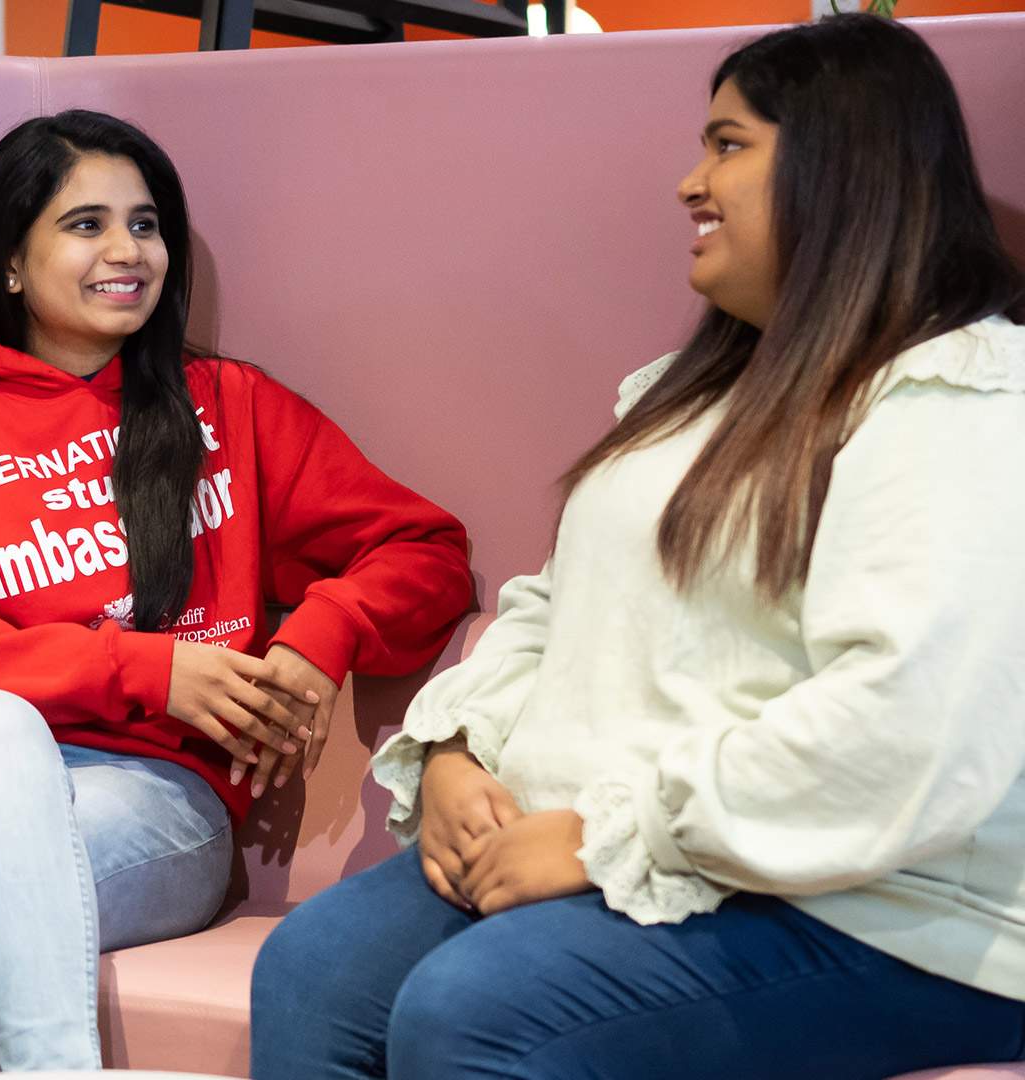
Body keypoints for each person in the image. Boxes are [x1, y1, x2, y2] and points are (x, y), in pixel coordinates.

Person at [250, 14, 1025, 1080]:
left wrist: (609, 838)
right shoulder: (685, 397)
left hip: (880, 908)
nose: (688, 183)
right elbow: (553, 610)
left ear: (843, 165)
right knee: (314, 969)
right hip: (633, 842)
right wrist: (459, 753)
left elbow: (907, 726)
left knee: (478, 1008)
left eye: (728, 143)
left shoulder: (959, 395)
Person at [0, 109, 473, 1079]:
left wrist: (318, 635)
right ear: (9, 259)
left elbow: (425, 549)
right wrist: (143, 668)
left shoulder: (228, 408)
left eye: (146, 223)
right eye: (85, 224)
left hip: (150, 801)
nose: (128, 250)